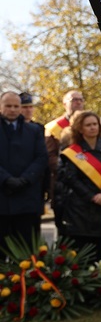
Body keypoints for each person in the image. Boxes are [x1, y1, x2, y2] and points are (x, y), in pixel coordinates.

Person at [55, 111, 101, 265]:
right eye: (88, 125)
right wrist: (92, 196)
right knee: (83, 258)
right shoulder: (72, 152)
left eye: (95, 124)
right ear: (80, 128)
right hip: (80, 210)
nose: (93, 128)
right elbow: (70, 178)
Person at [0, 91, 47, 248]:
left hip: (27, 199)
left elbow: (41, 158)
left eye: (16, 106)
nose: (12, 109)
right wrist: (6, 179)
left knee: (26, 255)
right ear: (1, 106)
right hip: (2, 198)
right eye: (8, 106)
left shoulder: (34, 130)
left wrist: (25, 179)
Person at [45, 89, 85, 233]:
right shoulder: (54, 128)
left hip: (89, 185)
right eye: (74, 100)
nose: (78, 102)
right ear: (64, 104)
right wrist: (74, 169)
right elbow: (50, 157)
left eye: (81, 99)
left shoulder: (89, 123)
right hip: (64, 185)